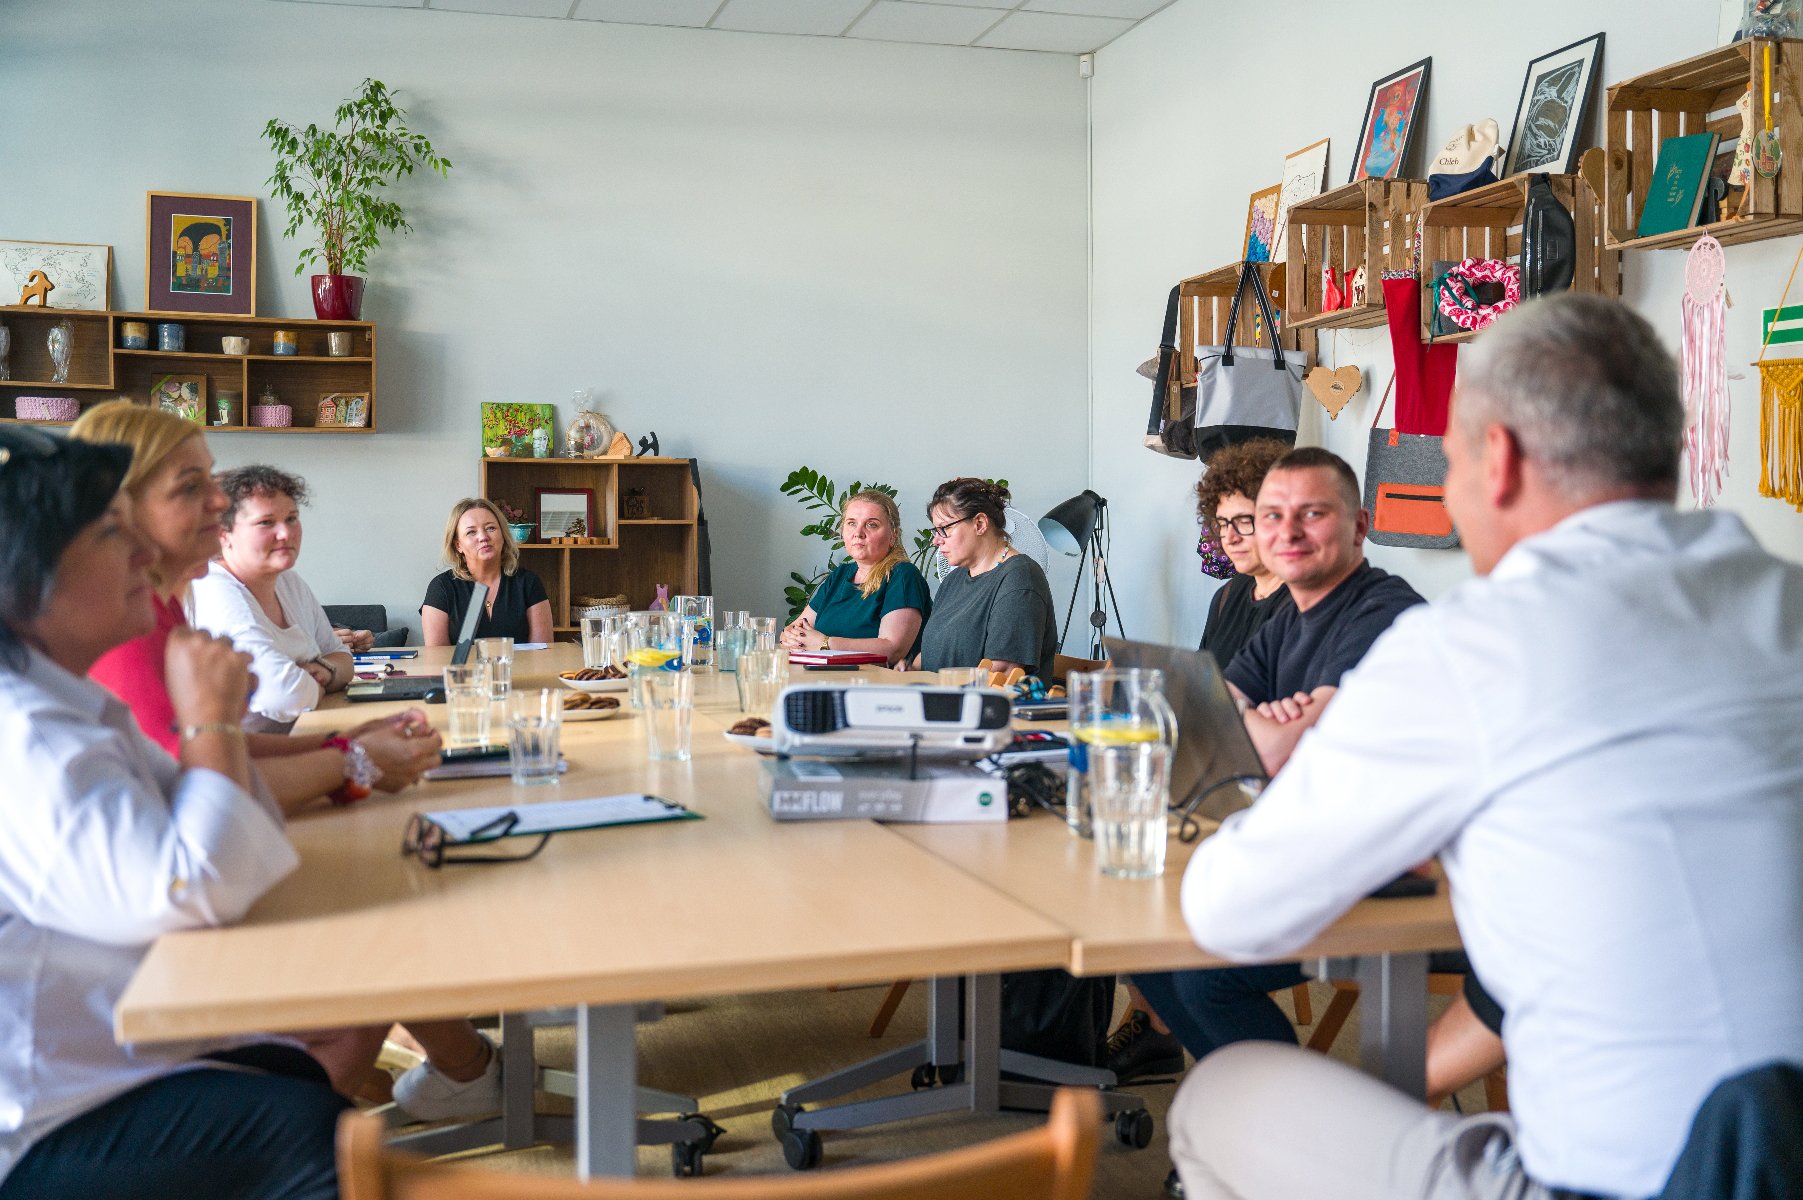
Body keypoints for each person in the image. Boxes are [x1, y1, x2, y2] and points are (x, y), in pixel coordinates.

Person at [1167, 294, 1803, 1200]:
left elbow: (1228, 912)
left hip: (1630, 1183)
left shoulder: (1468, 647)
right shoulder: (1783, 602)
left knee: (1218, 1096)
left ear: (1496, 459)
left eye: (1451, 462)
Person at [69, 403, 501, 1121]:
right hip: (147, 924)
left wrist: (347, 745)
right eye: (192, 488)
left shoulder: (162, 607)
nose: (219, 505)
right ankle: (296, 1134)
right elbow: (202, 776)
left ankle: (468, 1072)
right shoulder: (133, 623)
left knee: (379, 888)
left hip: (181, 872)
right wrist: (354, 761)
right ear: (122, 509)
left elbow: (218, 745)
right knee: (375, 918)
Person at [0, 425, 342, 1200]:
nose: (140, 553)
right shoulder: (25, 734)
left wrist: (214, 734)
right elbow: (195, 888)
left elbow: (236, 833)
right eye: (109, 534)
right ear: (23, 573)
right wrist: (212, 720)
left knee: (296, 1070)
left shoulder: (69, 703)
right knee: (311, 1132)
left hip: (103, 1054)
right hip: (42, 1113)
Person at [1132, 446, 1424, 1196]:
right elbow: (1205, 723)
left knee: (1203, 975)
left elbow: (1266, 747)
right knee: (1141, 945)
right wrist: (1272, 722)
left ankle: (1293, 1147)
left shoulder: (1384, 611)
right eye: (1272, 516)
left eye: (1311, 514)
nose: (1286, 532)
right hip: (1309, 848)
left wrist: (1265, 725)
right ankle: (1255, 1131)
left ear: (1358, 526)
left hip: (1398, 874)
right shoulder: (1286, 618)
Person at [1105, 438, 1297, 1084]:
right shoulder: (1230, 596)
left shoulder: (1303, 604)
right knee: (1109, 881)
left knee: (1145, 904)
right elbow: (1206, 698)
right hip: (1215, 783)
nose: (1231, 537)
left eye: (1245, 521)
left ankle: (1223, 1071)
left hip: (1263, 799)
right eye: (1221, 523)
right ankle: (1166, 1033)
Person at [191, 465, 353, 733]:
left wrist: (320, 669)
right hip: (248, 755)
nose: (285, 533)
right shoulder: (215, 589)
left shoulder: (288, 581)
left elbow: (343, 659)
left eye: (291, 518)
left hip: (301, 737)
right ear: (223, 533)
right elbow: (285, 695)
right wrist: (318, 680)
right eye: (266, 522)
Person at [917, 478, 1058, 679]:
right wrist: (906, 669)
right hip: (939, 695)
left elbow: (1002, 673)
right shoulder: (953, 580)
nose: (936, 541)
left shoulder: (1020, 578)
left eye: (944, 529)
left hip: (983, 699)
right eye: (936, 530)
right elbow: (932, 653)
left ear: (980, 524)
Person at [781, 489, 930, 666]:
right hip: (823, 677)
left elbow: (892, 650)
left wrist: (825, 644)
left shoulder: (903, 575)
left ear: (893, 535)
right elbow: (794, 630)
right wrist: (790, 637)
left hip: (876, 681)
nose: (858, 533)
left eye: (871, 525)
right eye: (851, 523)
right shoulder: (840, 575)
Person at [421, 498, 552, 646]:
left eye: (490, 528)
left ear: (503, 535)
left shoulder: (528, 583)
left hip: (518, 663)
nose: (483, 537)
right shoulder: (441, 588)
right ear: (458, 545)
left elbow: (542, 653)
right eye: (471, 532)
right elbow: (437, 657)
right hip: (460, 663)